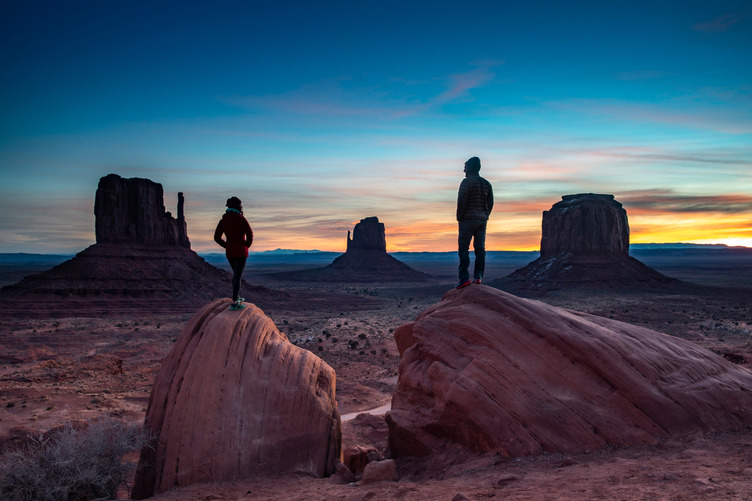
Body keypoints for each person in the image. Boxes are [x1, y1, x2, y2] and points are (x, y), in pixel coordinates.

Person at [456, 156, 494, 288]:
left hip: (468, 219)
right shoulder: (486, 183)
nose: (463, 170)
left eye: (465, 167)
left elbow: (461, 201)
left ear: (470, 168)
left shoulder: (466, 182)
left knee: (463, 249)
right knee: (480, 249)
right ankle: (478, 277)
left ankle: (464, 278)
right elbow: (490, 202)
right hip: (482, 220)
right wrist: (485, 215)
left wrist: (459, 218)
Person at [214, 196, 253, 310]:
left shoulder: (223, 220)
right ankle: (235, 302)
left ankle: (236, 297)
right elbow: (250, 234)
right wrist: (246, 246)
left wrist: (227, 246)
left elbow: (217, 237)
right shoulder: (241, 219)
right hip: (241, 251)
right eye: (240, 205)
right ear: (237, 206)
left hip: (230, 252)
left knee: (236, 275)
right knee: (237, 276)